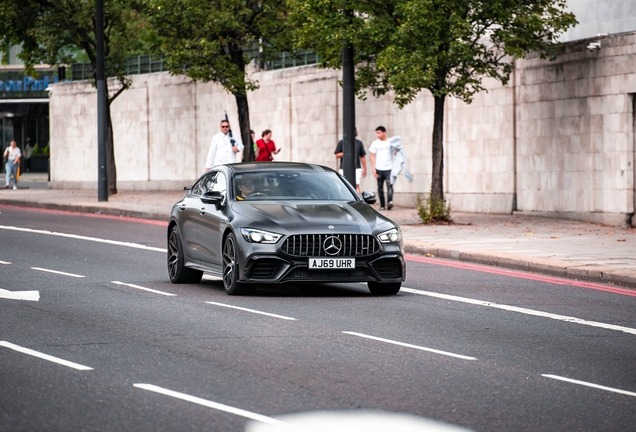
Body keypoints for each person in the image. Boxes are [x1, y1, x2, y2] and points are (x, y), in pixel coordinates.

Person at [369, 126, 394, 210]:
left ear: (384, 132)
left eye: (379, 133)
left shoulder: (390, 142)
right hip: (379, 168)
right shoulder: (375, 143)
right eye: (376, 133)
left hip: (389, 168)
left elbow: (396, 152)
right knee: (380, 188)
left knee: (389, 185)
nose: (377, 135)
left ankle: (390, 202)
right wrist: (373, 168)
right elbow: (372, 156)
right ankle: (382, 205)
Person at [334, 128, 367, 193]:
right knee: (343, 185)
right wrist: (346, 153)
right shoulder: (341, 142)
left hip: (357, 167)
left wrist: (365, 169)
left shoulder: (359, 143)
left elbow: (362, 157)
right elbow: (337, 155)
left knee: (356, 185)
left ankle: (358, 201)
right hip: (343, 168)